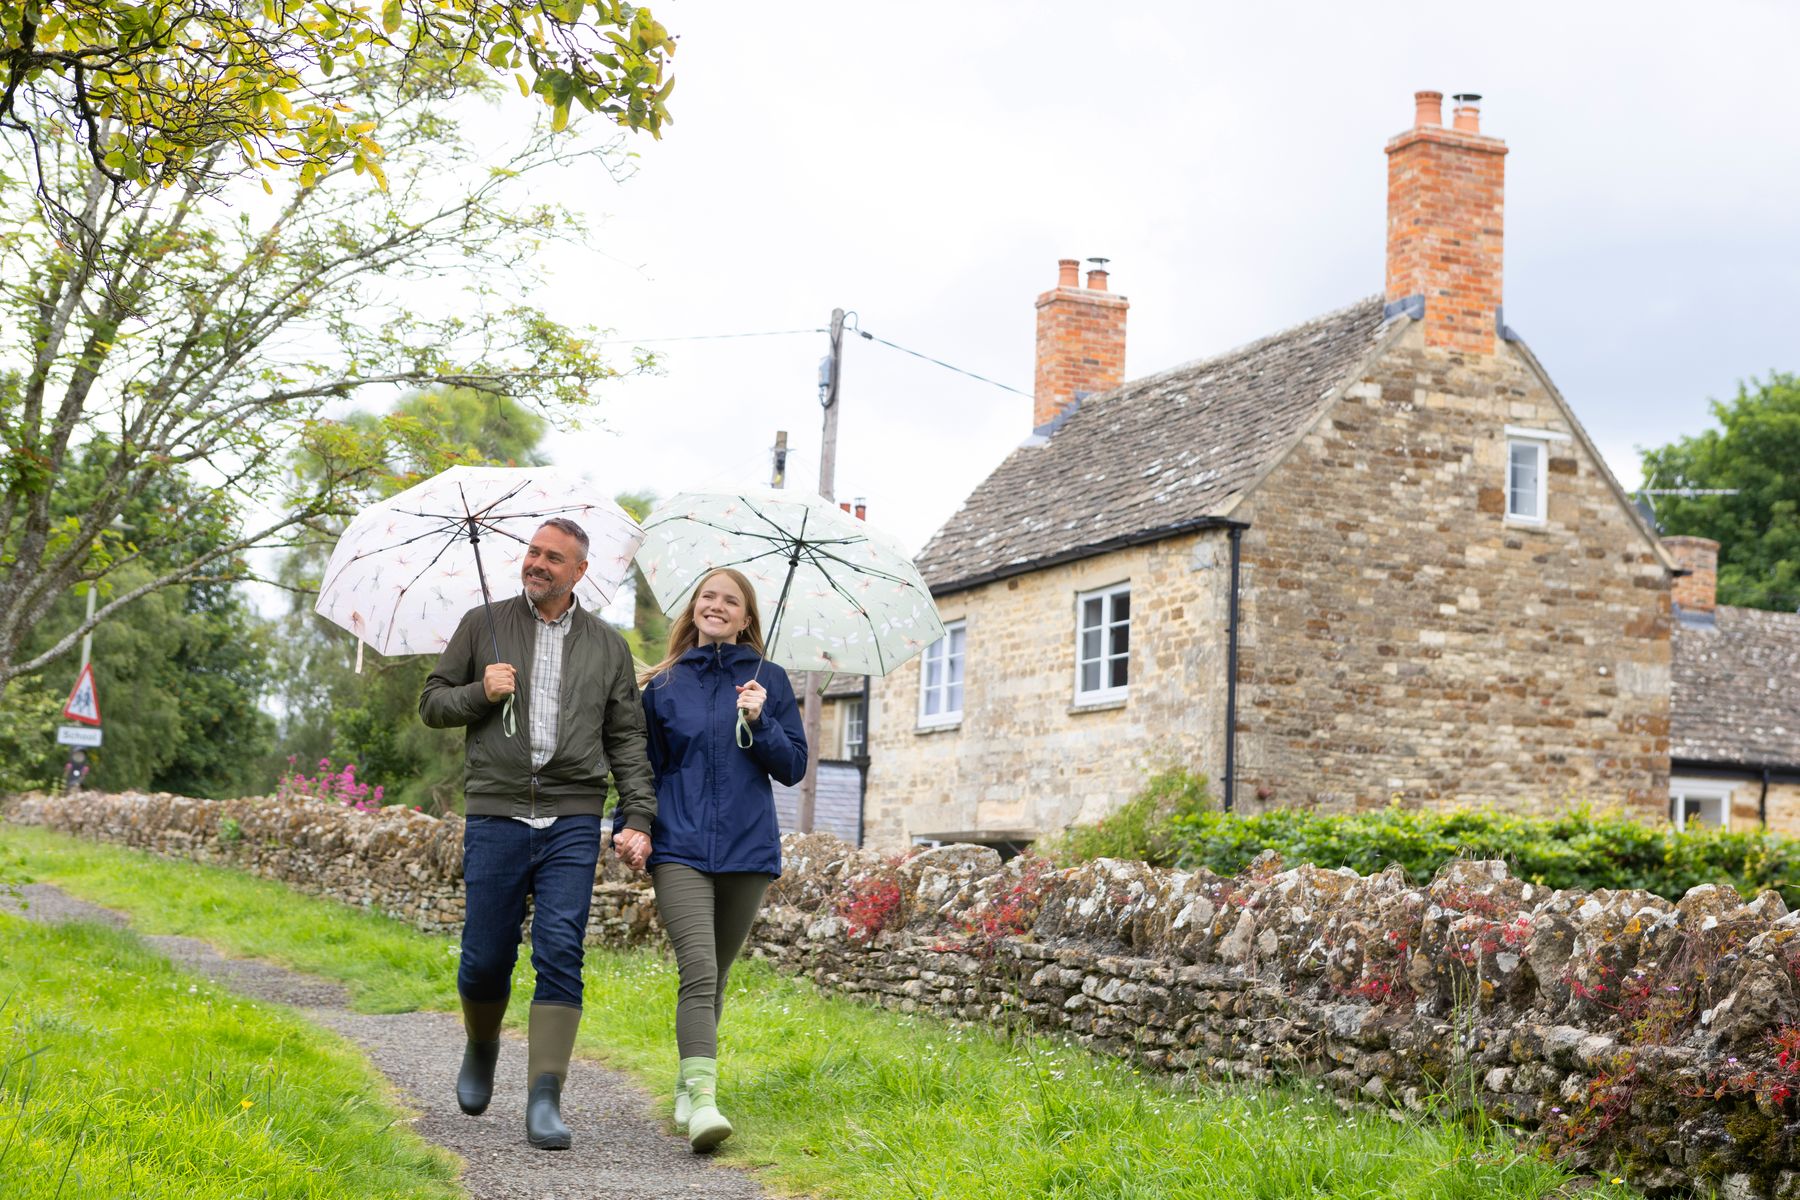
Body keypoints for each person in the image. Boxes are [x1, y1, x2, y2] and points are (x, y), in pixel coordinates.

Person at [420, 517, 655, 1151]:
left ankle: (545, 1097)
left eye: (554, 558)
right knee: (485, 956)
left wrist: (637, 814)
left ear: (580, 572)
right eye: (533, 552)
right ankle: (481, 1044)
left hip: (573, 818)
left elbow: (627, 739)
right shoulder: (483, 624)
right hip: (496, 812)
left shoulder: (607, 646)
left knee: (560, 951)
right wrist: (480, 691)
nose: (539, 563)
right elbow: (433, 703)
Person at [629, 567, 808, 1152]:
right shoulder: (663, 685)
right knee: (700, 970)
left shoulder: (770, 681)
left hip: (747, 851)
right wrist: (630, 827)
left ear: (746, 617)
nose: (717, 605)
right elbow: (642, 768)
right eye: (708, 596)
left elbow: (792, 768)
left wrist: (763, 720)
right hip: (678, 846)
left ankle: (687, 1083)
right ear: (694, 608)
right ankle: (705, 1102)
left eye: (731, 601)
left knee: (717, 974)